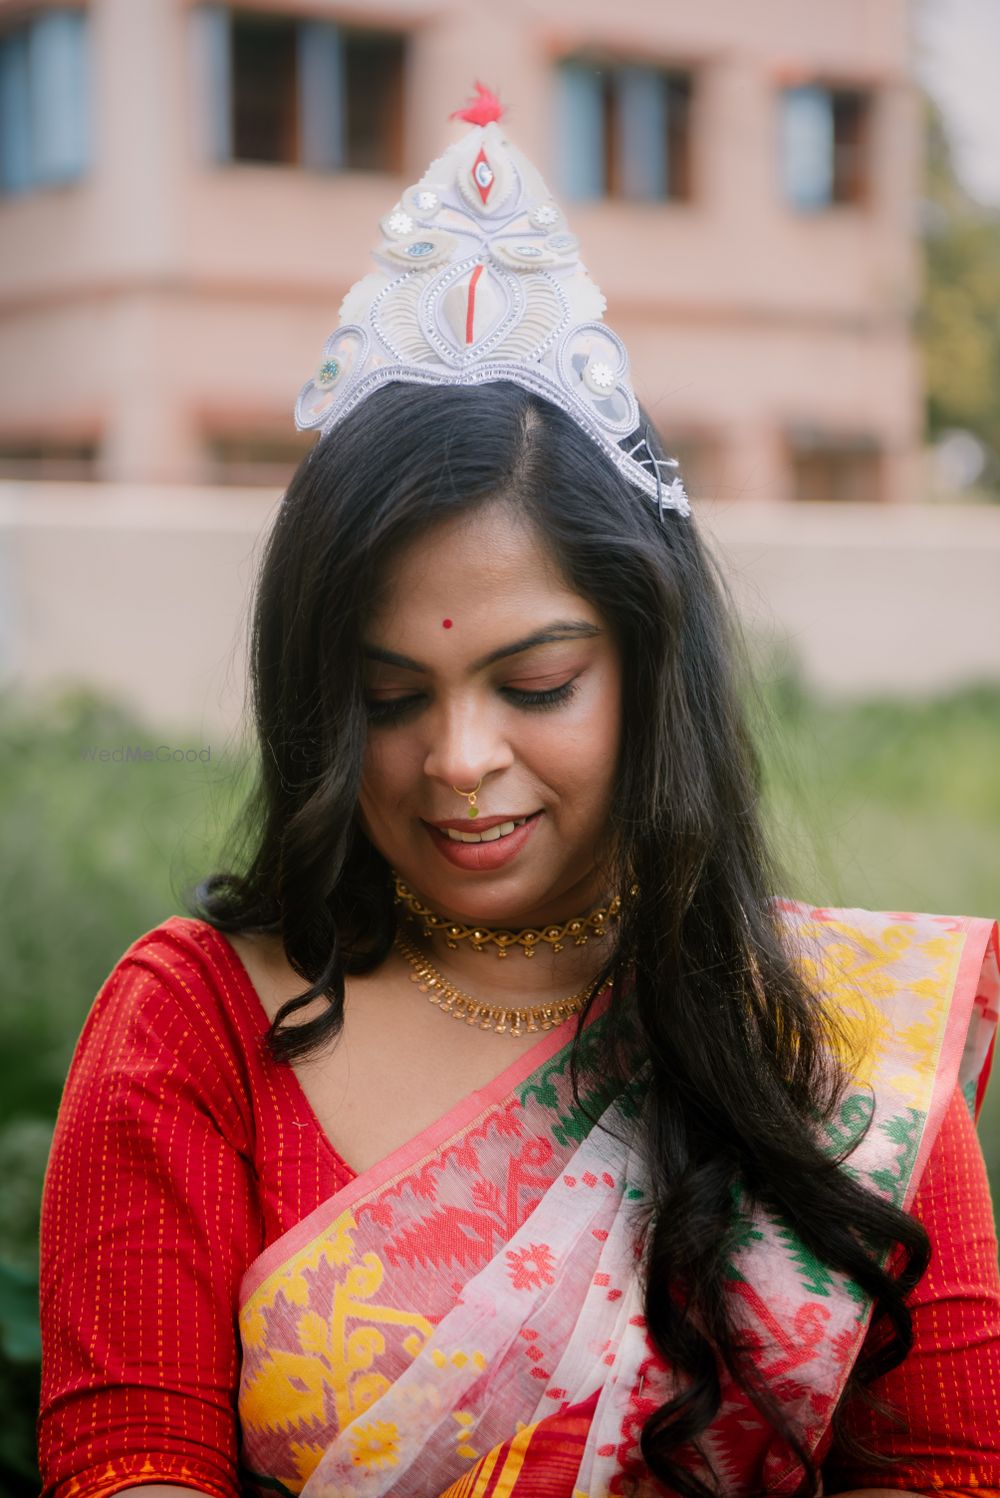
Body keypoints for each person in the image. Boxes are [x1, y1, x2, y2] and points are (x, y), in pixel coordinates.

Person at [38, 86, 1000, 1498]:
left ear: (647, 666)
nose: (459, 760)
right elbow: (130, 1462)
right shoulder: (195, 1026)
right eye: (388, 698)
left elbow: (950, 1466)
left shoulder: (846, 1043)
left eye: (536, 683)